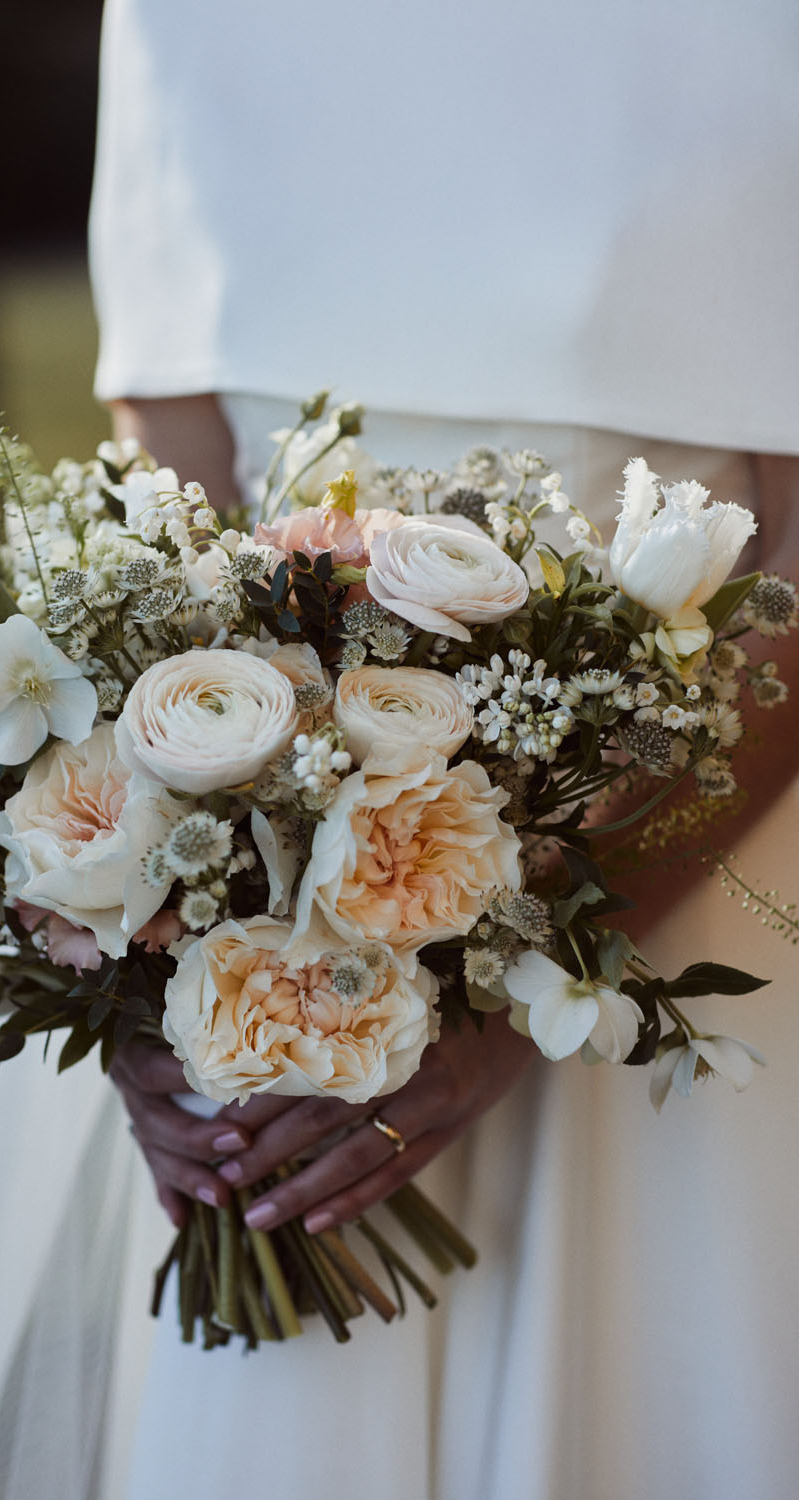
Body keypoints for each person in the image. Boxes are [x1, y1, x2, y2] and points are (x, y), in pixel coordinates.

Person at [89, 1, 799, 1497]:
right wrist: (162, 975)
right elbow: (167, 487)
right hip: (274, 972)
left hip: (688, 883)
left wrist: (537, 978)